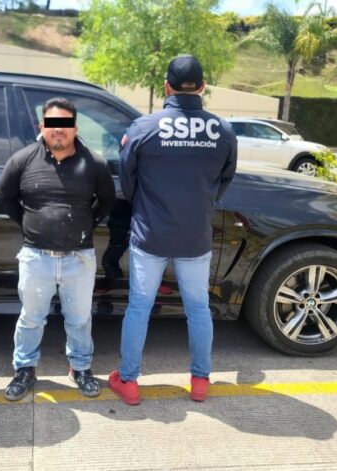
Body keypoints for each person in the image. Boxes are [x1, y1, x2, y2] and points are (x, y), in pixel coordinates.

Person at [108, 55, 238, 405]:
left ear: (166, 87)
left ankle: (129, 382)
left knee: (139, 307)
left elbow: (128, 180)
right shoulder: (222, 131)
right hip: (195, 236)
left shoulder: (144, 128)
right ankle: (199, 381)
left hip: (150, 235)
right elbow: (222, 182)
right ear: (202, 87)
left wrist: (147, 207)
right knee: (198, 308)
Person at [0, 97, 116, 401]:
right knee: (31, 318)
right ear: (42, 127)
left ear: (75, 128)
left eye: (64, 124)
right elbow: (4, 198)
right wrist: (31, 224)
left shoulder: (95, 164)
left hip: (79, 258)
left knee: (79, 319)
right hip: (36, 258)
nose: (58, 130)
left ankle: (80, 368)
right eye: (52, 124)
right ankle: (25, 369)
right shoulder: (23, 160)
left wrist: (86, 224)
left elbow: (107, 202)